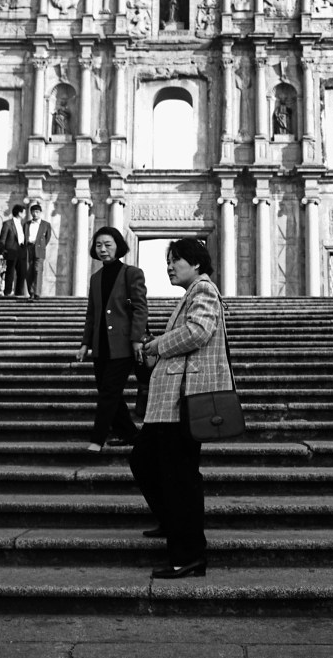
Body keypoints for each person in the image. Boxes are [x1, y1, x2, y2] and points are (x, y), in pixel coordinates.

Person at [129, 238, 231, 579]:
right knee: (144, 460)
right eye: (168, 260)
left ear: (196, 263)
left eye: (176, 260)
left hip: (182, 402)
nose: (169, 266)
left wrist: (158, 344)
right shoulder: (191, 293)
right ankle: (173, 521)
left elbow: (199, 332)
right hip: (168, 403)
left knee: (180, 478)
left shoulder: (203, 289)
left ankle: (188, 555)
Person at [76, 227, 148, 453]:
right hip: (101, 345)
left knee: (109, 392)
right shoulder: (95, 278)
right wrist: (85, 343)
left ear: (118, 246)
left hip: (123, 345)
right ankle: (131, 434)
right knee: (109, 393)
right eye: (99, 245)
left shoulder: (132, 273)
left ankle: (97, 439)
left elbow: (140, 308)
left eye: (108, 245)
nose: (103, 249)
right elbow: (92, 313)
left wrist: (136, 339)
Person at [0, 204, 27, 297]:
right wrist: (2, 250)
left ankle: (19, 292)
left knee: (22, 272)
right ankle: (7, 291)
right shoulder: (8, 223)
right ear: (19, 213)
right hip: (11, 249)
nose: (25, 214)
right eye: (24, 212)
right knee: (10, 271)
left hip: (21, 249)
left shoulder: (23, 224)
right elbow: (2, 238)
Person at [24, 203, 51, 300]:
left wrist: (41, 245)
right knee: (28, 271)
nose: (35, 214)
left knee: (38, 270)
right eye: (33, 212)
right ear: (30, 213)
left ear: (40, 213)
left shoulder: (46, 225)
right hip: (28, 248)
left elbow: (47, 238)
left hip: (39, 248)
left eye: (37, 212)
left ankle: (37, 293)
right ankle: (31, 292)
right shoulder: (26, 224)